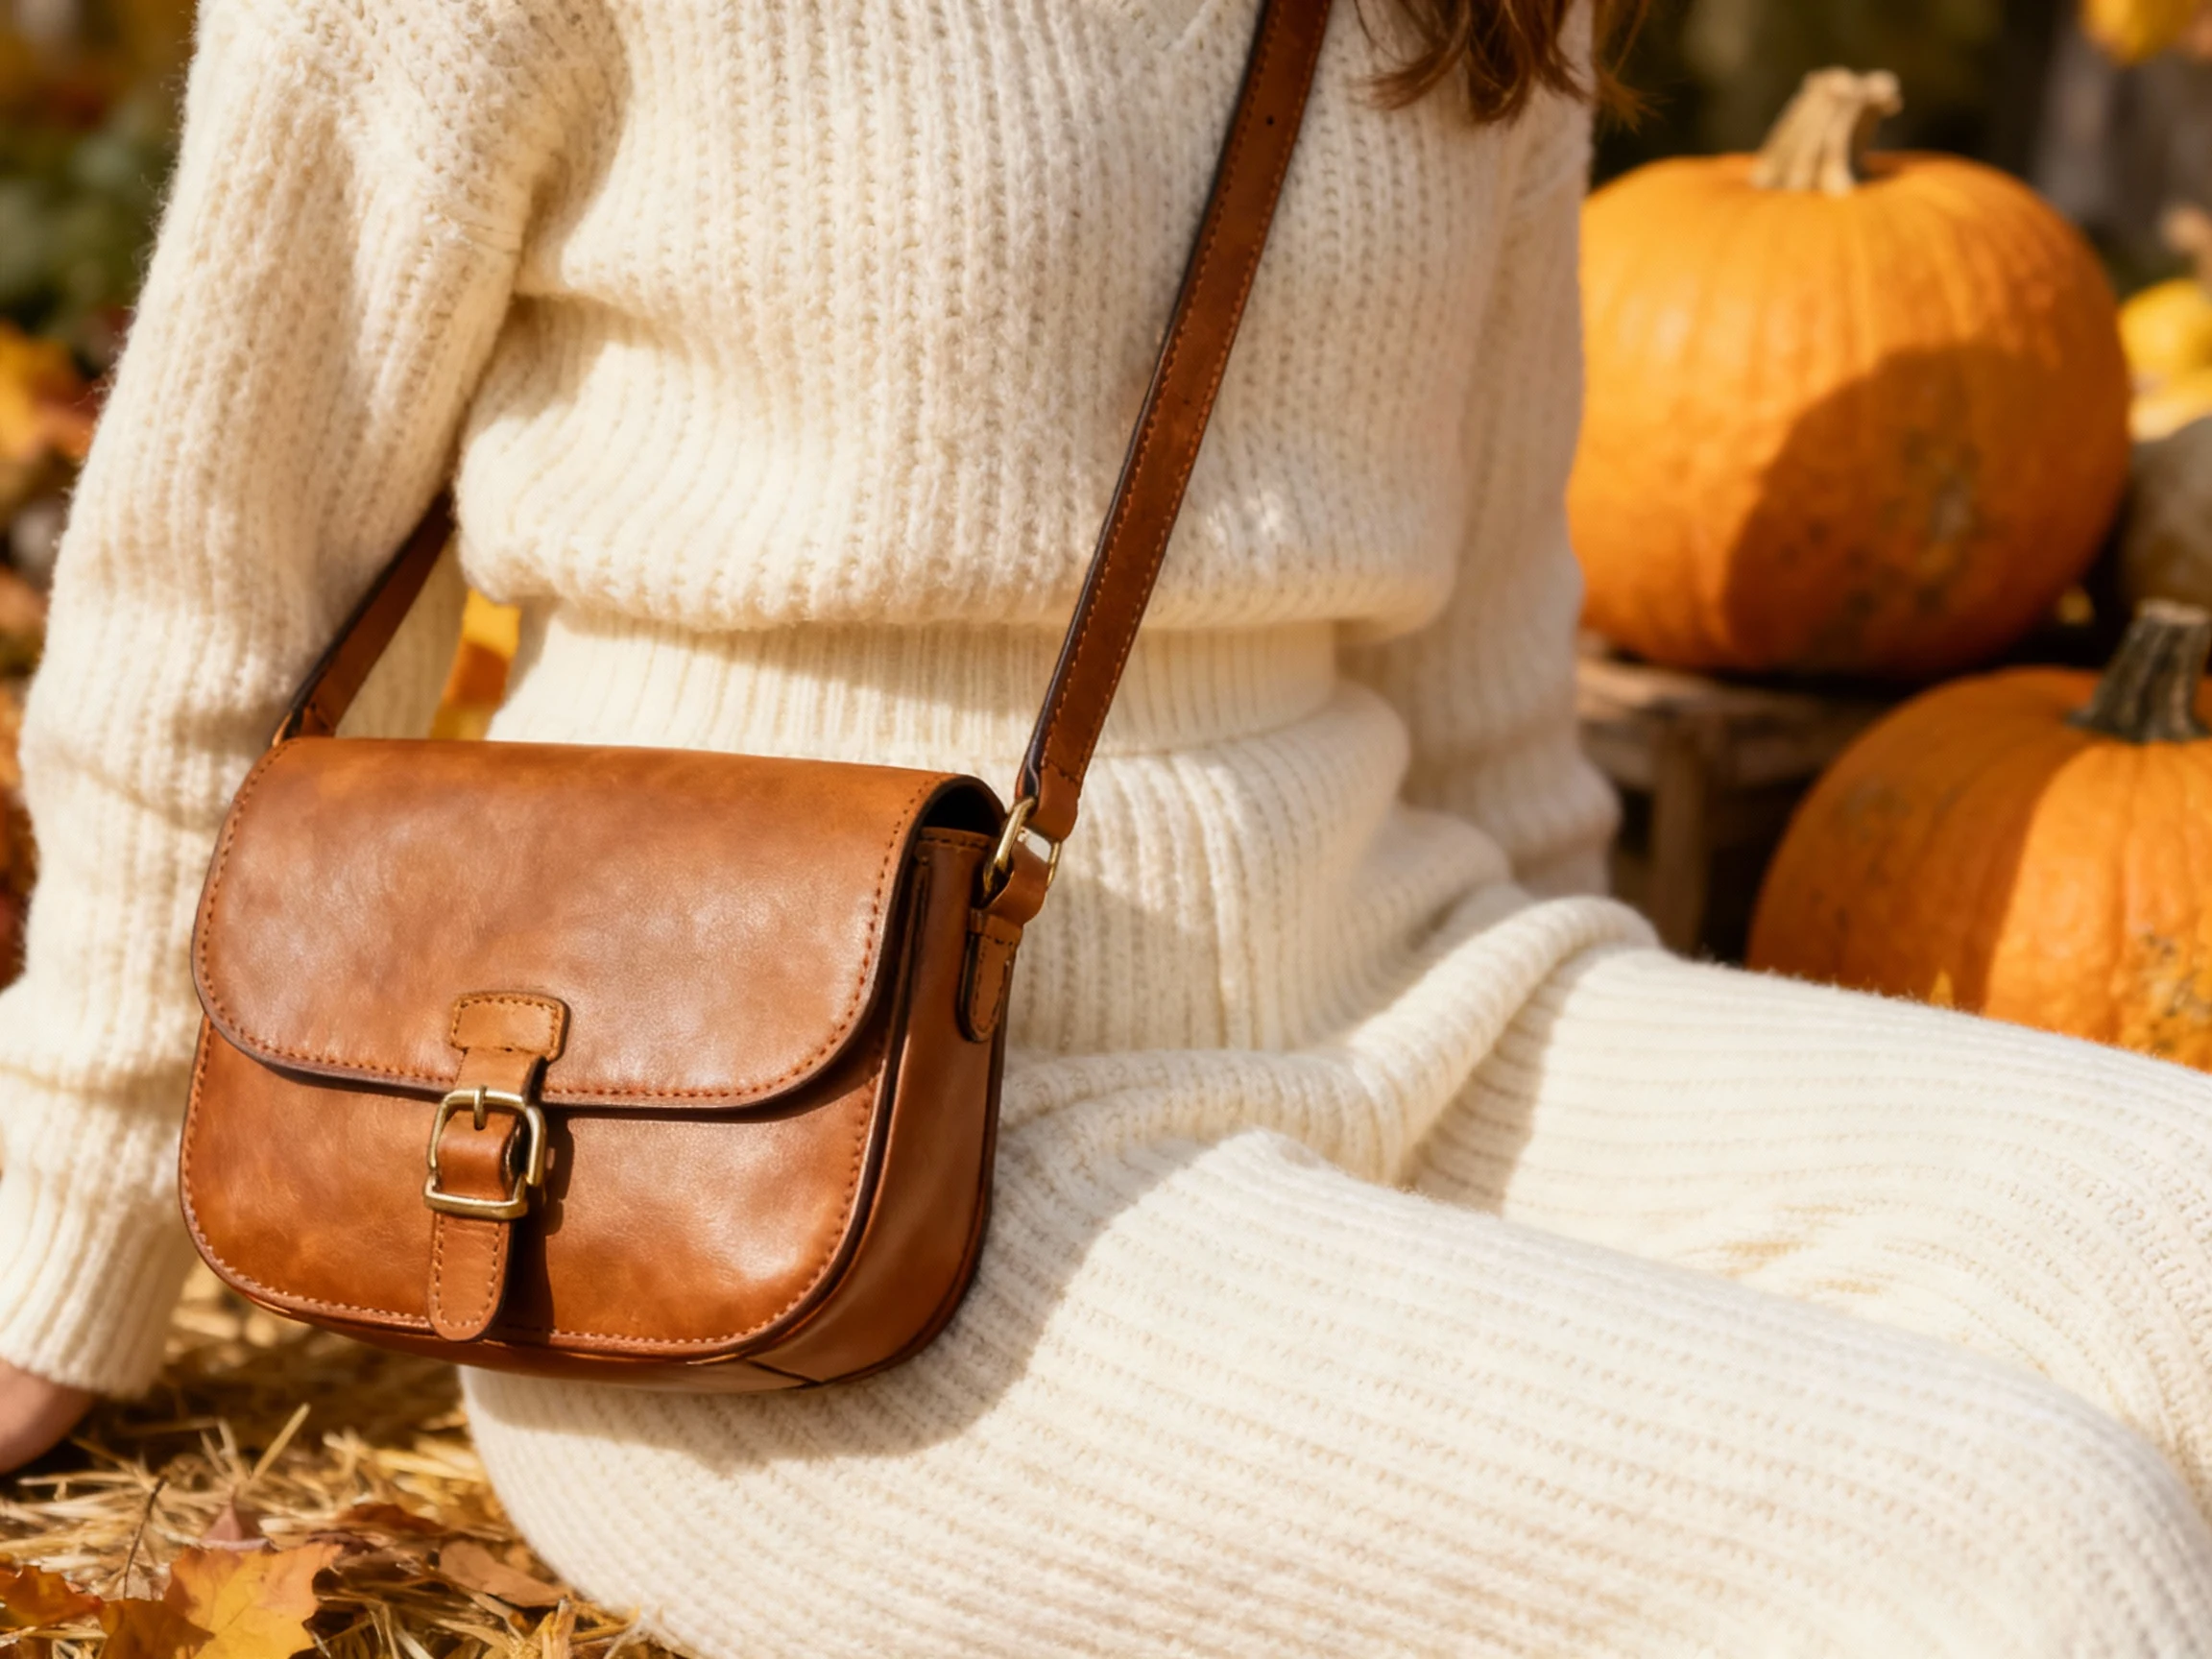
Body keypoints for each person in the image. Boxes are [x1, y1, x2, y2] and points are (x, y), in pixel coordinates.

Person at [6, 2, 2212, 1652]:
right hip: (795, 1181)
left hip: (1413, 988)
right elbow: (235, 576)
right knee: (2015, 1540)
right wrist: (69, 1231)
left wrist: (1589, 1274)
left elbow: (1480, 670)